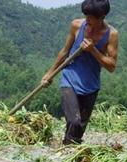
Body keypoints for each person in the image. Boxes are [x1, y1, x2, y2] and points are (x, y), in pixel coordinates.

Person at [42, 0, 119, 145]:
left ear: (102, 17)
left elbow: (111, 66)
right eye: (86, 16)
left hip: (91, 86)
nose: (87, 20)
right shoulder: (77, 25)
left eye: (90, 18)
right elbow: (65, 52)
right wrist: (49, 74)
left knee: (77, 132)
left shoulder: (111, 35)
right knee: (73, 121)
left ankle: (66, 155)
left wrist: (93, 50)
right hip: (69, 80)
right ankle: (64, 153)